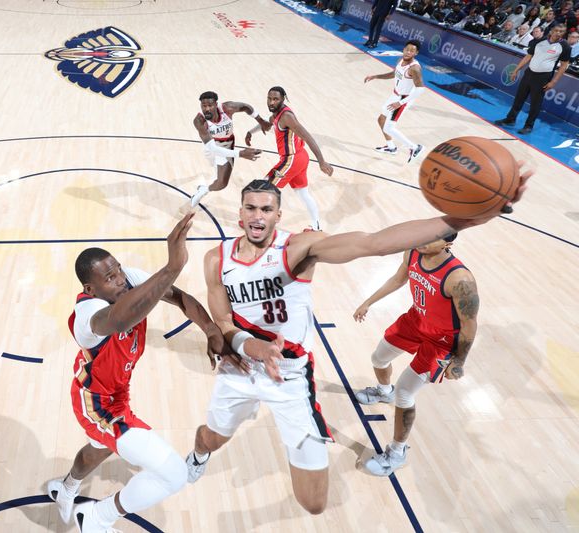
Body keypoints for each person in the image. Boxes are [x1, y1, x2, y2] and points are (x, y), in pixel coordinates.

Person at [185, 171, 530, 515]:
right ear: (240, 213)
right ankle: (198, 455)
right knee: (212, 440)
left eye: (266, 209)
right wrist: (252, 347)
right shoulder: (217, 259)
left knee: (314, 502)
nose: (257, 216)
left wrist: (467, 218)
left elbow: (373, 243)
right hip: (243, 368)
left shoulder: (300, 248)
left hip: (289, 377)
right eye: (251, 208)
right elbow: (225, 323)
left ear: (278, 214)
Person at [46, 213, 243, 533]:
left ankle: (66, 487)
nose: (120, 279)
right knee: (175, 474)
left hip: (117, 392)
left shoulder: (128, 280)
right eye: (109, 278)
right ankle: (96, 518)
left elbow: (179, 297)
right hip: (95, 402)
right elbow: (122, 319)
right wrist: (171, 266)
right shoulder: (88, 315)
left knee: (97, 451)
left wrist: (209, 329)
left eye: (119, 269)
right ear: (90, 288)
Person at [351, 234, 477, 475]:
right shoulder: (412, 252)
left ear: (447, 244)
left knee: (406, 392)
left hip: (442, 339)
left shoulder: (460, 279)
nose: (424, 240)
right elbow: (399, 279)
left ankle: (397, 453)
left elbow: (470, 324)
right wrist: (368, 301)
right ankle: (383, 391)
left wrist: (459, 361)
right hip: (415, 321)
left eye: (434, 238)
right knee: (378, 358)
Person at [245, 86, 333, 231]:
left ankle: (262, 224)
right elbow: (267, 126)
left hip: (291, 159)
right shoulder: (276, 116)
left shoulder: (287, 117)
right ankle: (316, 227)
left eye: (275, 99)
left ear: (283, 99)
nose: (271, 102)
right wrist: (250, 132)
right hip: (300, 158)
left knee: (265, 189)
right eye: (269, 98)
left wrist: (321, 161)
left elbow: (308, 137)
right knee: (303, 194)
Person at [189, 91, 266, 208]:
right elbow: (213, 149)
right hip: (211, 147)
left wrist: (261, 121)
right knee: (215, 169)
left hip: (227, 145)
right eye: (204, 106)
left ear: (216, 104)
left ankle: (203, 190)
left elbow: (246, 107)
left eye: (210, 105)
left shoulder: (227, 108)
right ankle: (208, 182)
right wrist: (240, 153)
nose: (207, 109)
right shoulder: (199, 121)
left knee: (222, 183)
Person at [495, 24, 570, 134]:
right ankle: (510, 119)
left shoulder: (565, 46)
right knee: (519, 98)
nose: (558, 33)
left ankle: (528, 126)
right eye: (557, 30)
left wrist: (553, 81)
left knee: (535, 103)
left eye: (561, 31)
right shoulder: (540, 41)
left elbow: (564, 65)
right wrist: (516, 70)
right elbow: (528, 56)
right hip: (529, 73)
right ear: (551, 31)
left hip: (543, 77)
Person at [365, 40, 425, 163]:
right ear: (403, 49)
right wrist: (376, 76)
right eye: (407, 49)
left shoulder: (415, 68)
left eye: (412, 51)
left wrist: (400, 103)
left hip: (403, 99)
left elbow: (420, 89)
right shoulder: (400, 60)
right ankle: (391, 147)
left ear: (416, 53)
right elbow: (394, 74)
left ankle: (415, 148)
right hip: (395, 95)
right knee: (381, 119)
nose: (408, 52)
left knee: (388, 128)